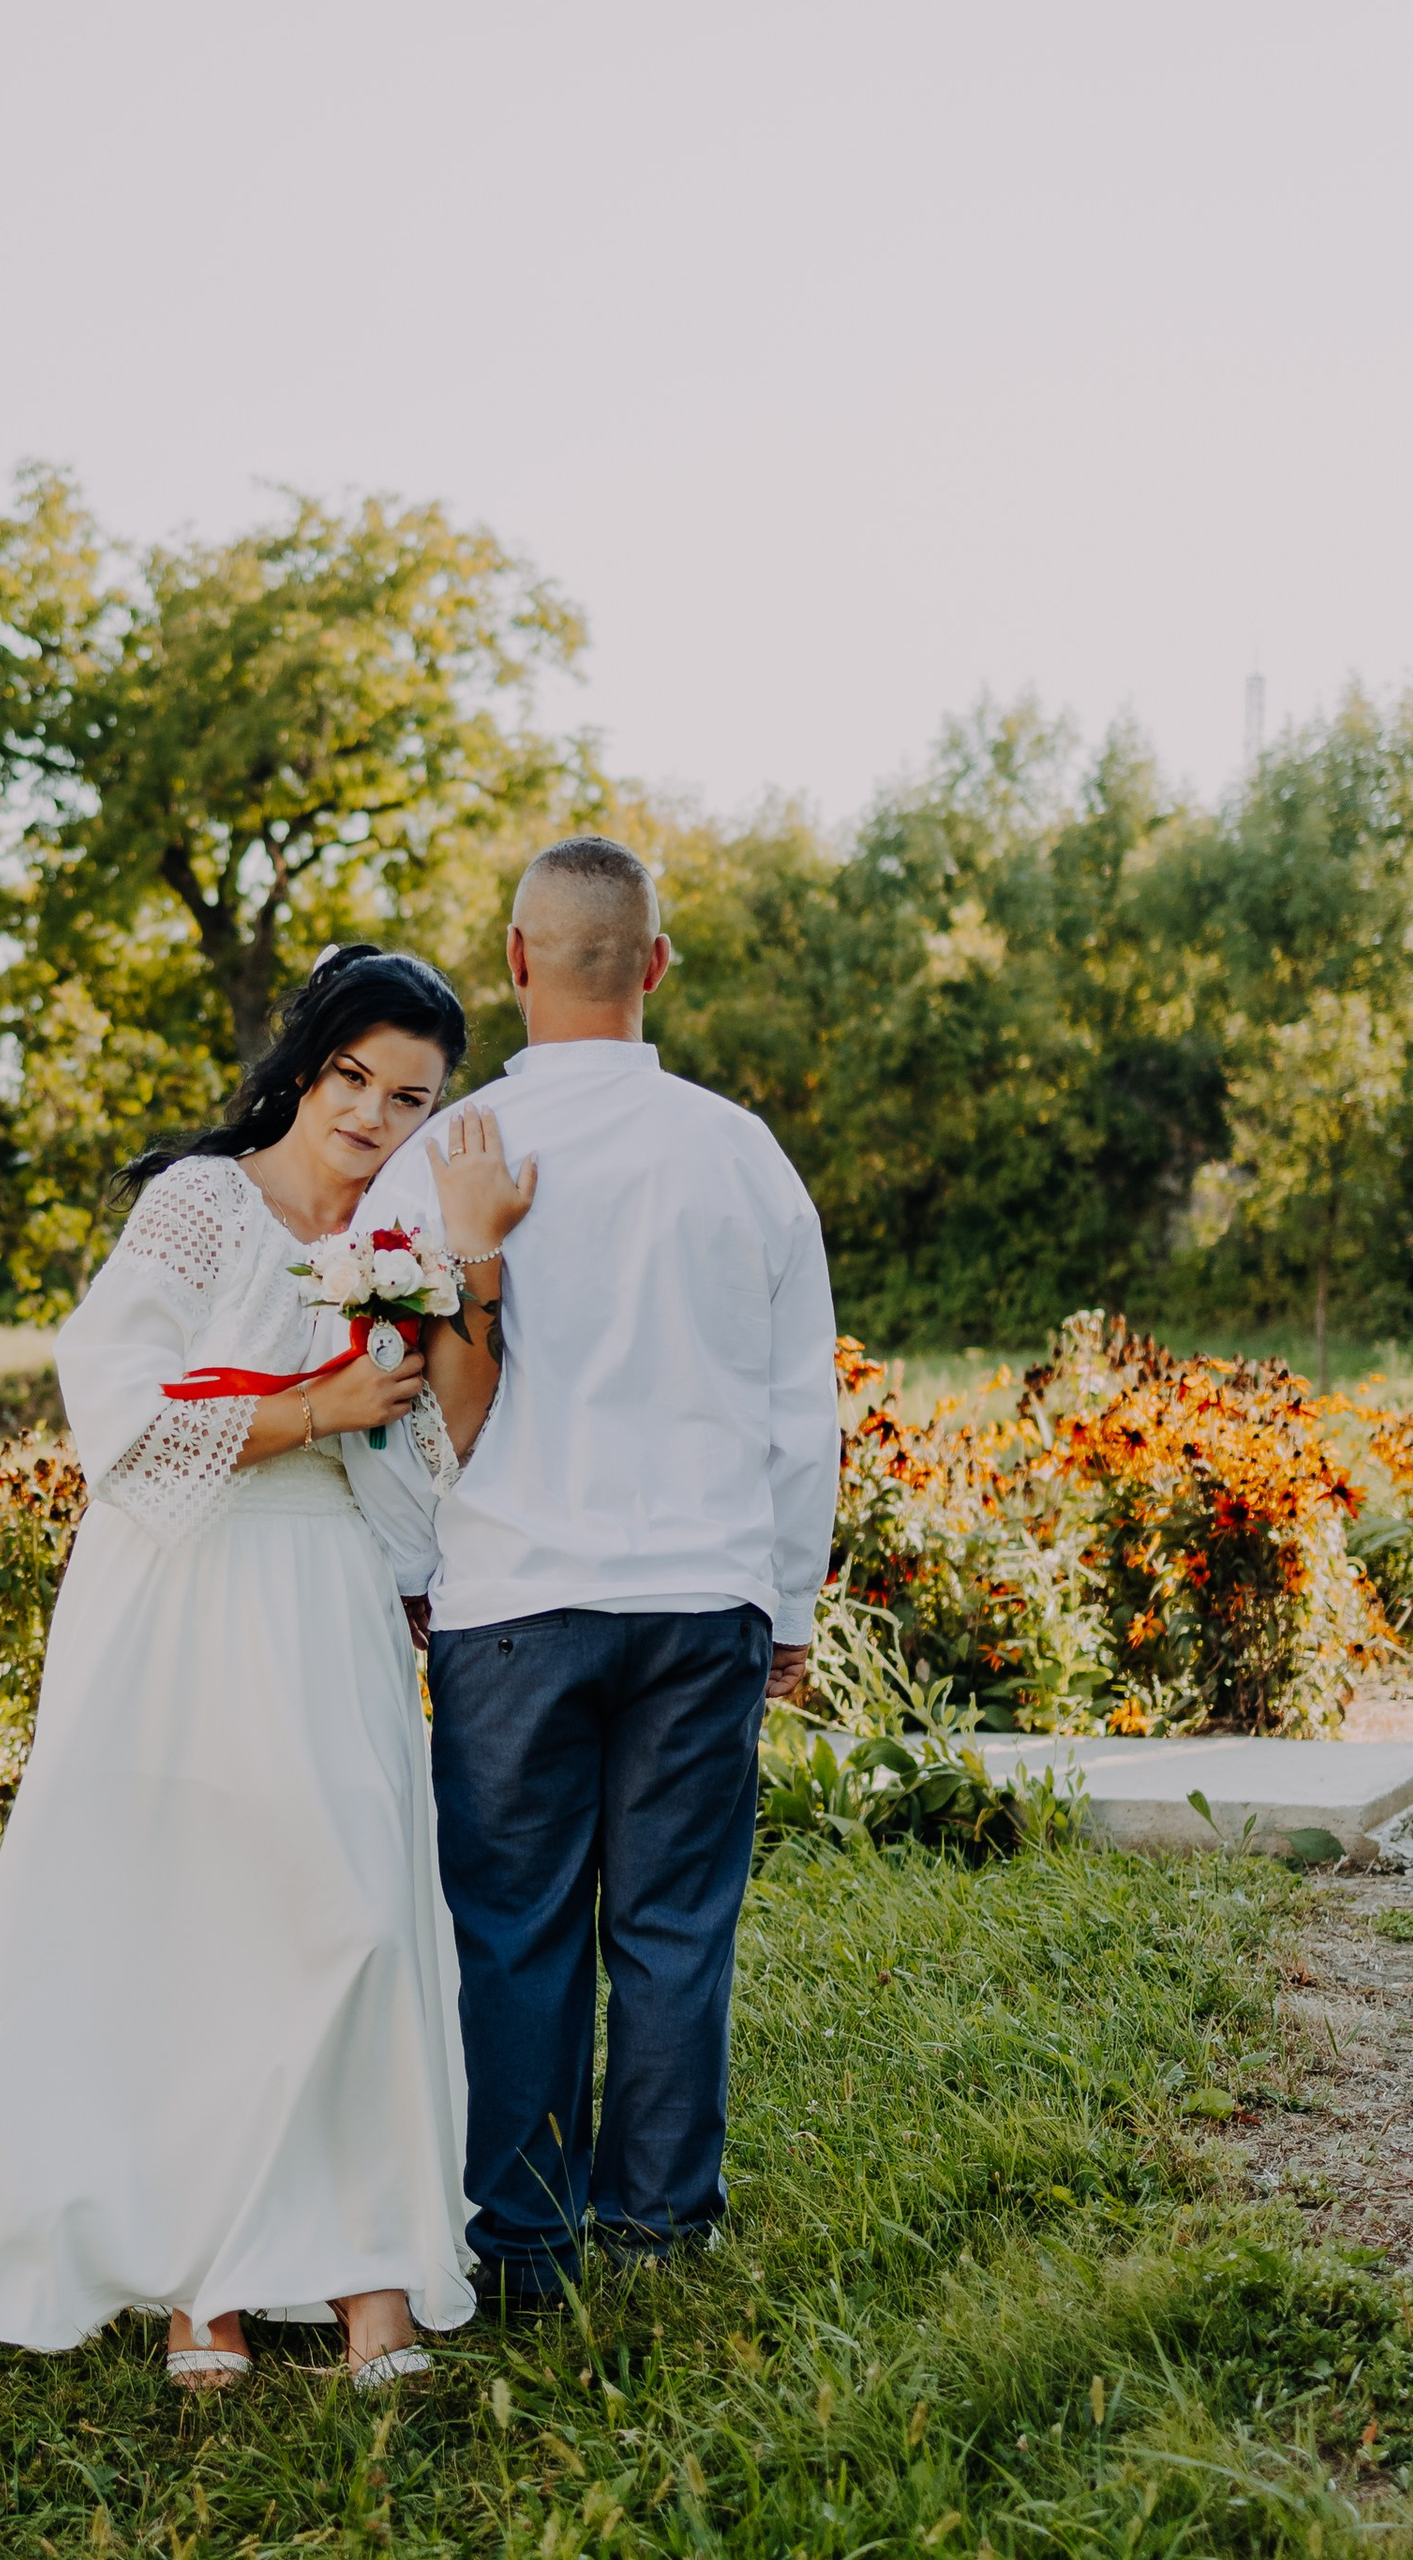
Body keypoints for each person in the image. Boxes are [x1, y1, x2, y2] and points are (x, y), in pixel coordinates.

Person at [0, 946, 489, 2391]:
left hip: (328, 1589)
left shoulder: (409, 1238)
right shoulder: (200, 1204)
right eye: (354, 1076)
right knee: (191, 1916)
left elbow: (426, 1450)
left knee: (355, 1917)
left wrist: (410, 1381)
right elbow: (115, 1403)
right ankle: (200, 2288)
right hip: (178, 1587)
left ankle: (372, 2276)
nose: (371, 1114)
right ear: (306, 1065)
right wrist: (315, 1406)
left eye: (407, 1096)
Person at [356, 835, 839, 2311]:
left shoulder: (441, 1154)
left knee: (514, 1928)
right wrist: (793, 1602)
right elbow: (797, 1404)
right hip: (705, 1595)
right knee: (677, 1922)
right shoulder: (740, 1151)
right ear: (657, 967)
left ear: (513, 960)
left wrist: (406, 1575)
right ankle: (664, 2221)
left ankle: (521, 2233)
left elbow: (393, 1398)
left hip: (509, 1601)